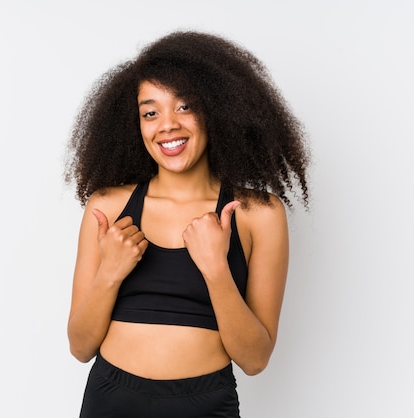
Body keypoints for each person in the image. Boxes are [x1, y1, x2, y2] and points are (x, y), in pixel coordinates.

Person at [64, 30, 310, 417]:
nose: (166, 125)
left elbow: (255, 359)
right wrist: (110, 272)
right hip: (111, 399)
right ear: (135, 125)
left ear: (216, 111)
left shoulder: (258, 214)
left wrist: (216, 269)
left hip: (205, 404)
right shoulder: (108, 207)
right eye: (150, 112)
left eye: (184, 107)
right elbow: (80, 347)